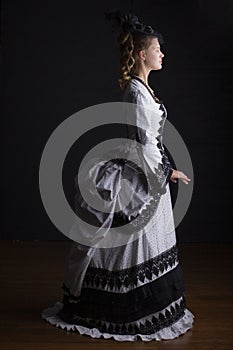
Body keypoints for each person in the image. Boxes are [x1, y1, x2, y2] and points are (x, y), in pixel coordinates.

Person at [41, 10, 194, 341]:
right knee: (135, 248)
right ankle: (128, 310)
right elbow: (144, 143)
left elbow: (152, 139)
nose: (162, 54)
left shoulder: (144, 89)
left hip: (151, 174)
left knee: (151, 246)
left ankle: (153, 305)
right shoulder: (138, 92)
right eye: (157, 49)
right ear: (142, 53)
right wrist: (164, 174)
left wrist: (167, 170)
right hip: (145, 179)